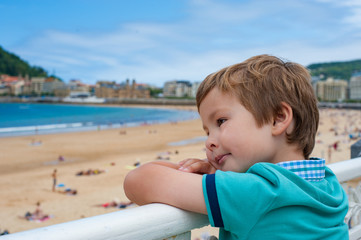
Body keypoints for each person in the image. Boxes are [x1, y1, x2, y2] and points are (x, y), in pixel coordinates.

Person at [123, 55, 349, 239]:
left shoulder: (256, 192)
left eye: (220, 121)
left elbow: (137, 181)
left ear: (278, 119)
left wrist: (198, 173)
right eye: (207, 131)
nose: (209, 141)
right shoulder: (327, 183)